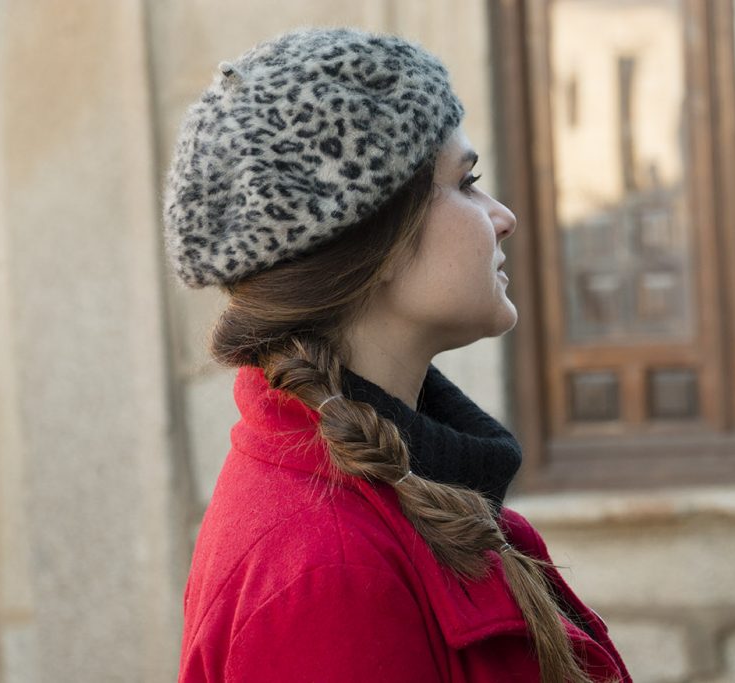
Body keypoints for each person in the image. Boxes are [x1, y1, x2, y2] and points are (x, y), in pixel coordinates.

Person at [163, 26, 631, 683]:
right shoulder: (327, 574)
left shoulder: (378, 497)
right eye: (467, 183)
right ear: (374, 237)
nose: (502, 216)